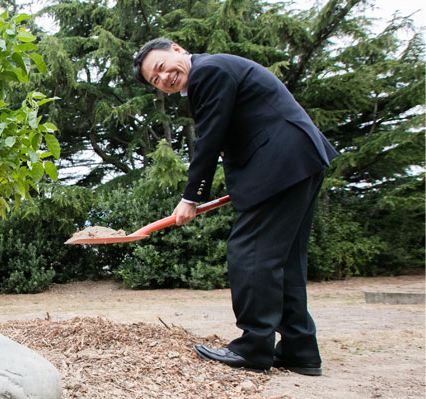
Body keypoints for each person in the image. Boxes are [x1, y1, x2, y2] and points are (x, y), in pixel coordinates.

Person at [133, 38, 338, 376]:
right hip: (298, 161)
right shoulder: (217, 70)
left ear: (177, 49)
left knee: (250, 253)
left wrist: (190, 198)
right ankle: (300, 350)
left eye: (160, 67)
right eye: (156, 81)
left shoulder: (208, 71)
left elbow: (209, 139)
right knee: (284, 263)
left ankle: (254, 347)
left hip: (282, 164)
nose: (164, 78)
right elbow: (230, 132)